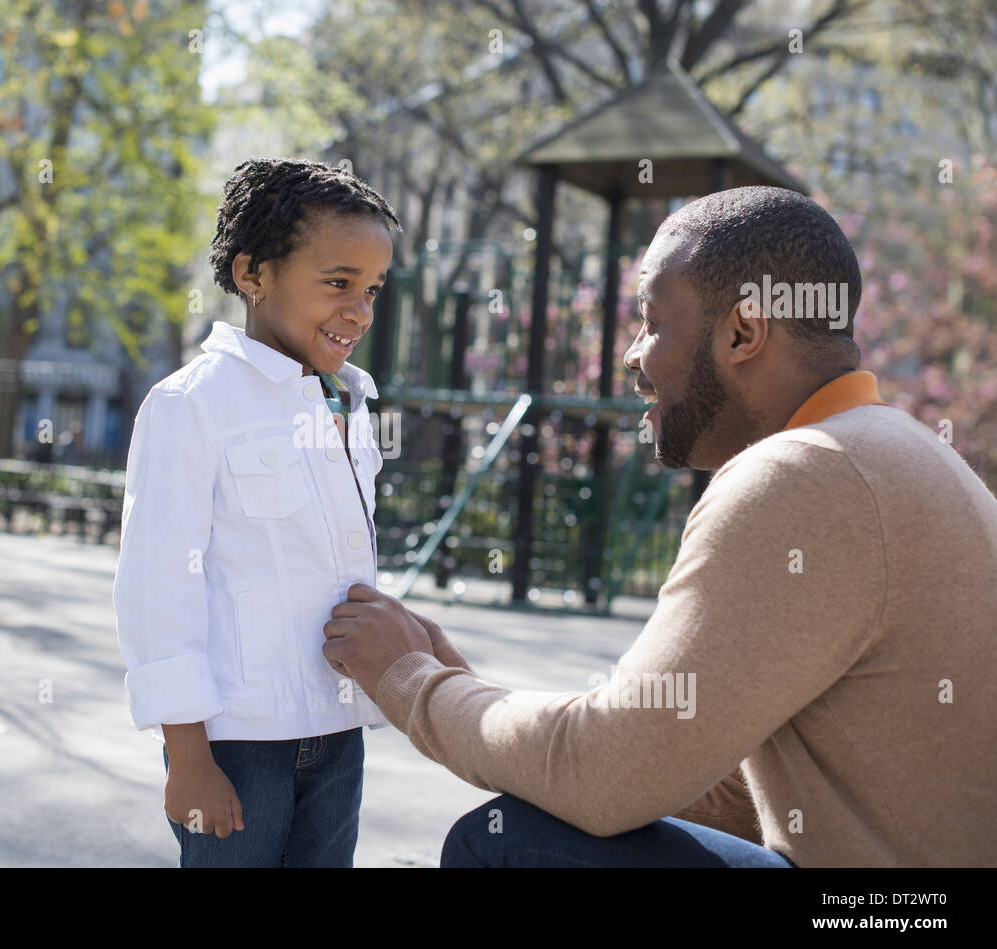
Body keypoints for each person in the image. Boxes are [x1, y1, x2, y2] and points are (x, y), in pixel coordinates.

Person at [321, 186, 997, 867]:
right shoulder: (895, 452)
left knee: (509, 842)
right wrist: (498, 720)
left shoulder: (801, 475)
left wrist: (407, 678)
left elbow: (602, 777)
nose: (632, 356)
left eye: (652, 324)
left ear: (743, 332)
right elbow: (683, 775)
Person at [113, 157, 401, 867]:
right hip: (236, 743)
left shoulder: (351, 401)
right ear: (253, 274)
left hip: (339, 731)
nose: (360, 310)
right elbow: (156, 587)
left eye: (372, 289)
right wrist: (188, 755)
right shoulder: (192, 404)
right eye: (338, 283)